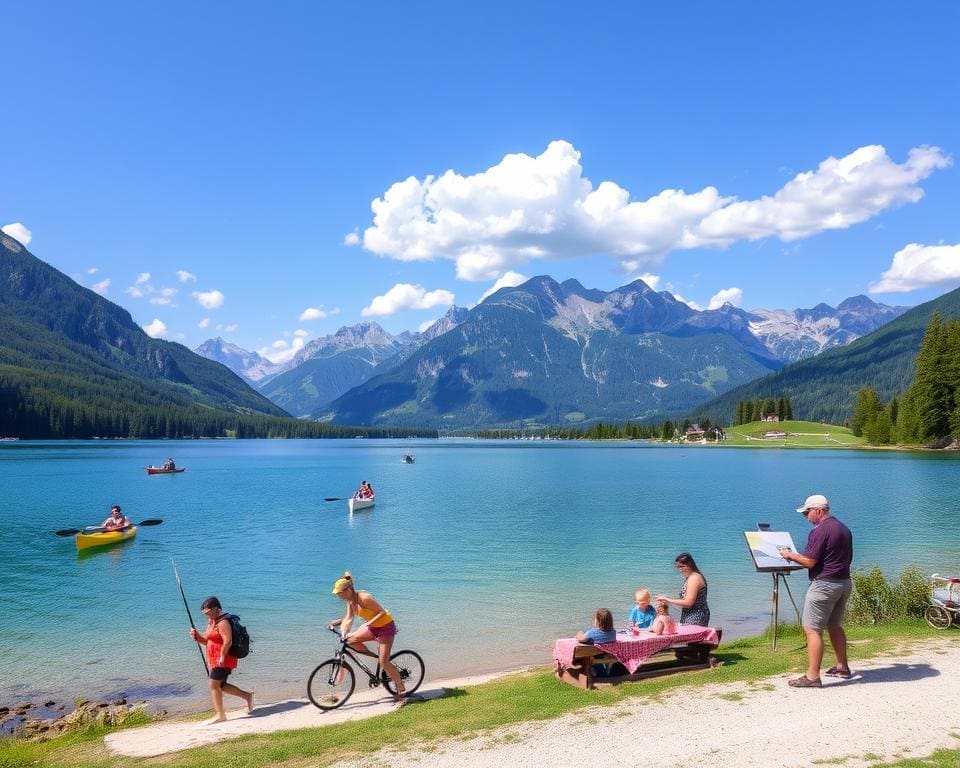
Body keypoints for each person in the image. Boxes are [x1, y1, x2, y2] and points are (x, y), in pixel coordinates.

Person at [779, 494, 854, 689]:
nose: (806, 516)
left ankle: (812, 676)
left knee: (812, 630)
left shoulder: (820, 531)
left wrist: (789, 555)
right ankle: (842, 667)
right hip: (844, 582)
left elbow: (810, 561)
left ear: (818, 510)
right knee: (834, 625)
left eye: (807, 512)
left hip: (824, 585)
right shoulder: (843, 528)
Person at [328, 572, 406, 704]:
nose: (338, 596)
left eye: (340, 593)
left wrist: (369, 623)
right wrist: (337, 625)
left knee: (384, 662)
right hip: (372, 627)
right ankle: (378, 658)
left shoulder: (364, 598)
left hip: (385, 627)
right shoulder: (350, 600)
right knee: (350, 641)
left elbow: (382, 611)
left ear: (348, 589)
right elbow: (349, 617)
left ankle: (401, 688)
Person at [188, 596, 254, 723]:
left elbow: (227, 641)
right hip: (215, 658)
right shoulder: (212, 621)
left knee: (213, 684)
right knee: (221, 686)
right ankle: (248, 696)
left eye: (207, 613)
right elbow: (207, 640)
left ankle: (220, 715)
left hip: (223, 659)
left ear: (215, 609)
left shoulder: (223, 622)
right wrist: (197, 636)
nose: (206, 616)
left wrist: (222, 656)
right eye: (204, 614)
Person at [656, 552, 710, 626]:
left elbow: (688, 602)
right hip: (691, 614)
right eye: (677, 567)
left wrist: (668, 600)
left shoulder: (694, 578)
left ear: (689, 565)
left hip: (696, 616)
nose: (679, 569)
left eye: (681, 566)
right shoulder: (691, 577)